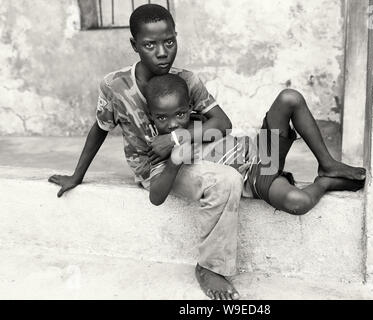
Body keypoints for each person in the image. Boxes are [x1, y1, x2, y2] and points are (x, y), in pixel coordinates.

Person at [48, 4, 244, 300]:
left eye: (169, 42)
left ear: (176, 38)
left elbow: (222, 123)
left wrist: (177, 137)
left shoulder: (187, 80)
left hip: (189, 155)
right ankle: (210, 267)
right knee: (226, 181)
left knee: (249, 150)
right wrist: (77, 175)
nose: (162, 52)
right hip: (157, 170)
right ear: (134, 45)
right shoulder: (115, 85)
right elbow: (100, 128)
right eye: (150, 45)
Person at [143, 74, 366, 299]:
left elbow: (223, 126)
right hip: (255, 177)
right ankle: (324, 183)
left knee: (290, 98)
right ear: (151, 117)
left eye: (180, 114)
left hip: (261, 151)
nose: (172, 124)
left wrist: (181, 136)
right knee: (299, 202)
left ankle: (327, 165)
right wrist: (174, 162)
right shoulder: (161, 150)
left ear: (189, 108)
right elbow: (156, 196)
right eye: (162, 118)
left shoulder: (197, 124)